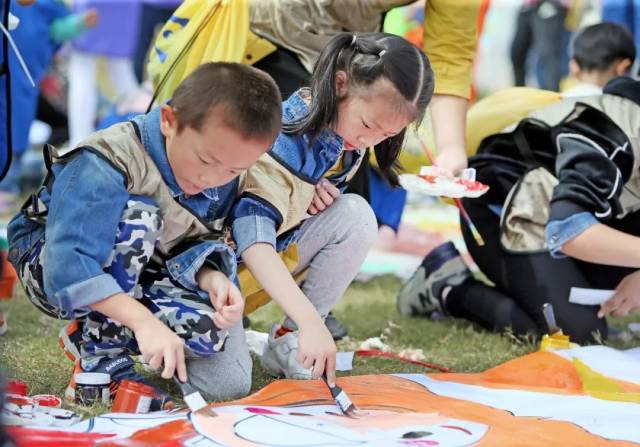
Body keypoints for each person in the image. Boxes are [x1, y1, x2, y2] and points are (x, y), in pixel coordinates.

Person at [7, 62, 282, 402]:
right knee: (140, 218)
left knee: (218, 360)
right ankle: (101, 360)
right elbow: (67, 267)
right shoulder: (108, 158)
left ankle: (98, 327)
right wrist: (143, 322)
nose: (213, 179)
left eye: (234, 169)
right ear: (169, 120)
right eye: (206, 160)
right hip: (52, 264)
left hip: (145, 266)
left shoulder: (223, 168)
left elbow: (190, 241)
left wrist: (210, 277)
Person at [230, 32, 434, 384]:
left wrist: (305, 204)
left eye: (386, 135)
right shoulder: (287, 136)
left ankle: (287, 339)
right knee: (228, 383)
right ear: (341, 84)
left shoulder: (345, 136)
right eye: (369, 125)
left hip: (259, 262)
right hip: (220, 272)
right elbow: (252, 238)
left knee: (355, 216)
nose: (370, 140)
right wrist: (311, 320)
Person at [397, 72, 640, 345]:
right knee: (578, 335)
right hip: (505, 212)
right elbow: (569, 231)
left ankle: (548, 292)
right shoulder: (613, 133)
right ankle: (449, 287)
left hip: (561, 223)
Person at [0, 0, 97, 211]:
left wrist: (79, 23)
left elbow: (55, 29)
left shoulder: (46, 6)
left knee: (13, 124)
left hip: (21, 72)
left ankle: (6, 184)